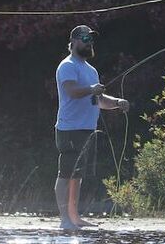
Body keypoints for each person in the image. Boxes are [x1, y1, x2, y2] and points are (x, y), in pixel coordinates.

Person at [54, 24, 129, 230]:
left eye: (91, 40)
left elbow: (99, 99)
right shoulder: (67, 65)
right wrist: (91, 89)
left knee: (77, 176)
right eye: (86, 39)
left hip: (87, 130)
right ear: (75, 41)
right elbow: (72, 91)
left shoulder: (91, 70)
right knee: (66, 173)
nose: (90, 43)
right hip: (69, 129)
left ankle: (74, 217)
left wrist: (117, 102)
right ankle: (64, 220)